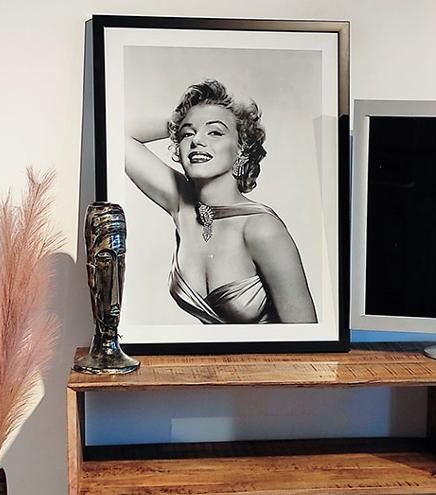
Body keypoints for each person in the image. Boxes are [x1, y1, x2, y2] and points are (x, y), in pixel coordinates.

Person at [125, 79, 317, 324]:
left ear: (241, 148)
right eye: (187, 134)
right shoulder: (182, 208)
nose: (197, 140)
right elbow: (115, 134)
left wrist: (192, 120)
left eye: (215, 132)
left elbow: (306, 334)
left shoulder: (262, 229)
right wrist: (182, 117)